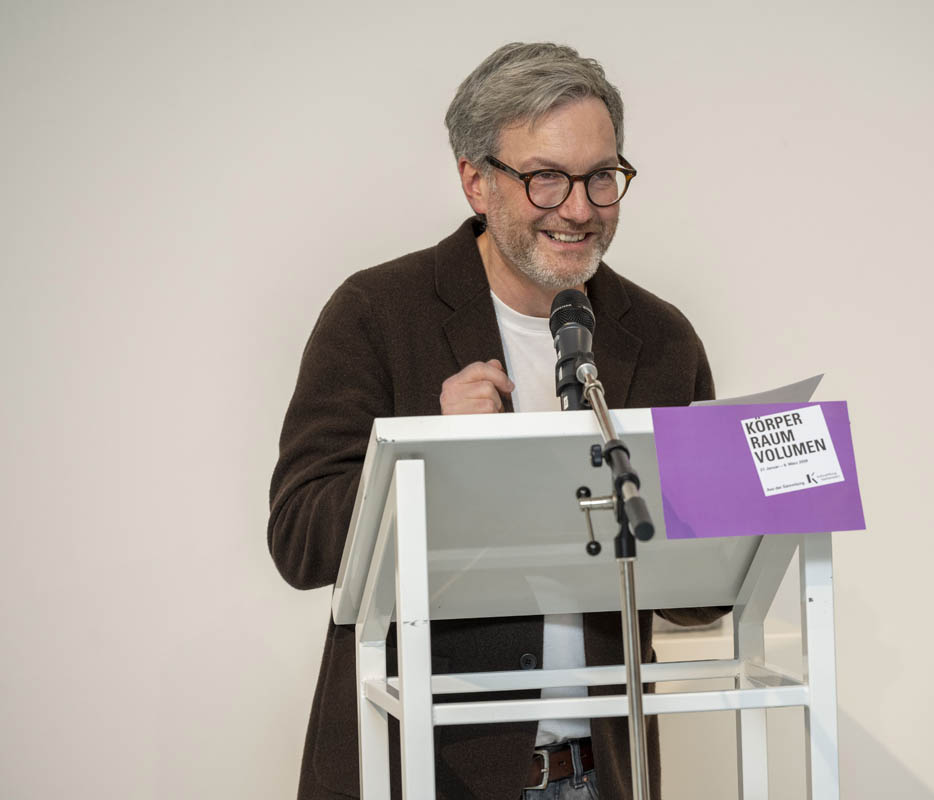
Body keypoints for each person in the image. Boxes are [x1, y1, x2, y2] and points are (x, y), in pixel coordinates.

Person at [268, 42, 724, 800]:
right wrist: (427, 450)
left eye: (600, 177)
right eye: (546, 178)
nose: (579, 209)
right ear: (476, 181)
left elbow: (700, 596)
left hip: (598, 777)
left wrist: (736, 502)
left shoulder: (660, 337)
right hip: (421, 770)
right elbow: (298, 539)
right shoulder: (376, 313)